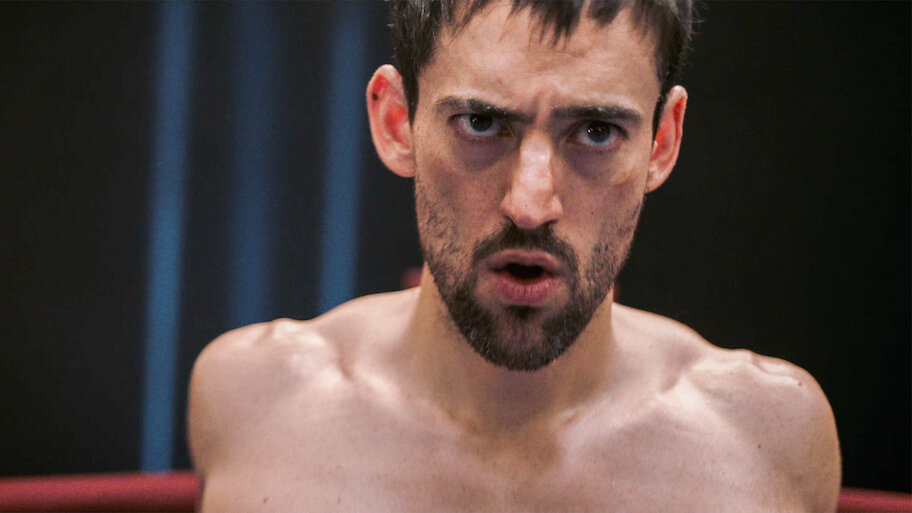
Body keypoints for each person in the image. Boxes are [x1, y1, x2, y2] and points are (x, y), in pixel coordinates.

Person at [188, 0, 841, 510]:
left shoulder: (765, 438)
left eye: (596, 131)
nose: (531, 205)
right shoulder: (254, 399)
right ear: (396, 122)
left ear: (662, 142)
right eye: (481, 123)